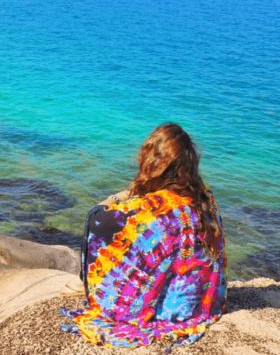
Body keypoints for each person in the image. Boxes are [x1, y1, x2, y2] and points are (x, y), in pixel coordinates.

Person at [60, 123, 228, 348]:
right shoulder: (205, 195)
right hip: (204, 302)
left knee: (106, 236)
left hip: (169, 312)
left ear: (152, 161)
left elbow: (97, 218)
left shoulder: (155, 208)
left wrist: (123, 194)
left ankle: (93, 288)